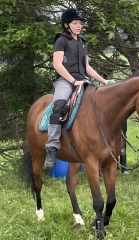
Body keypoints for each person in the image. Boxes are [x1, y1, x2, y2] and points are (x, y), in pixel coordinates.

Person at [44, 8, 114, 169]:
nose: (79, 26)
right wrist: (73, 80)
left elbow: (87, 67)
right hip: (64, 80)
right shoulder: (61, 40)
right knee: (59, 106)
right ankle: (52, 147)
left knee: (102, 104)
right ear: (66, 25)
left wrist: (103, 81)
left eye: (80, 23)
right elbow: (57, 64)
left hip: (83, 80)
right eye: (75, 23)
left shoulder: (82, 42)